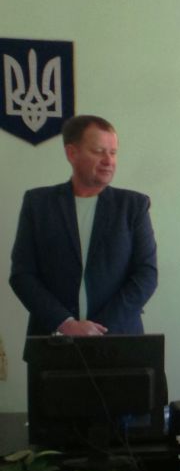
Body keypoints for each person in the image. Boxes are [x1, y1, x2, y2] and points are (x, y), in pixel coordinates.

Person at [10, 114, 158, 343]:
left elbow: (146, 274)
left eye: (113, 152)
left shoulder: (133, 206)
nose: (108, 160)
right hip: (53, 342)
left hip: (119, 341)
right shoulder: (38, 204)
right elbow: (23, 275)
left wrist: (99, 330)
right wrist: (66, 324)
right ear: (72, 153)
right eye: (99, 151)